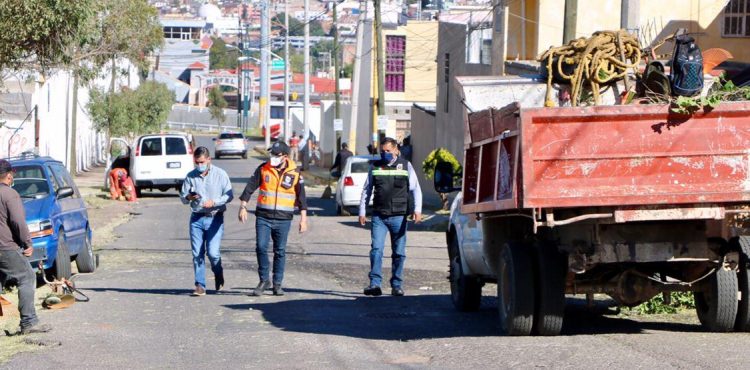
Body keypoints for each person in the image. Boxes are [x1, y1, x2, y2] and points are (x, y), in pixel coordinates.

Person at [239, 141, 308, 296]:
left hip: (284, 219)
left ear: (284, 156)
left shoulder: (295, 172)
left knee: (280, 251)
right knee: (261, 247)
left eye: (276, 155)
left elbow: (302, 198)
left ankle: (277, 283)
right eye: (272, 154)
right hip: (263, 216)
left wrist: (303, 220)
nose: (273, 157)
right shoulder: (264, 168)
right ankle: (264, 280)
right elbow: (250, 187)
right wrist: (243, 206)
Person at [359, 137, 422, 297]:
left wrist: (418, 209)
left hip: (399, 216)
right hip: (379, 216)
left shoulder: (406, 166)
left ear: (396, 150)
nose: (385, 154)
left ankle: (396, 285)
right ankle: (375, 284)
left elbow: (416, 189)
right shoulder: (375, 166)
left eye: (388, 151)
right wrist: (362, 211)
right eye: (382, 151)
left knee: (399, 252)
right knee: (376, 250)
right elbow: (367, 190)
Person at [0, 159, 51, 335]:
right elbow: (17, 221)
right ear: (8, 175)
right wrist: (27, 243)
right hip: (5, 247)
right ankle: (29, 322)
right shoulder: (10, 194)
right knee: (27, 277)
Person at [180, 147, 233, 296]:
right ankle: (200, 285)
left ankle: (218, 272)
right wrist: (189, 197)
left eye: (202, 162)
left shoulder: (220, 174)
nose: (199, 165)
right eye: (196, 162)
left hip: (214, 217)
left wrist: (214, 202)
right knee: (197, 253)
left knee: (213, 253)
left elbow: (229, 196)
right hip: (196, 218)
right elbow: (183, 197)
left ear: (209, 160)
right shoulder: (191, 176)